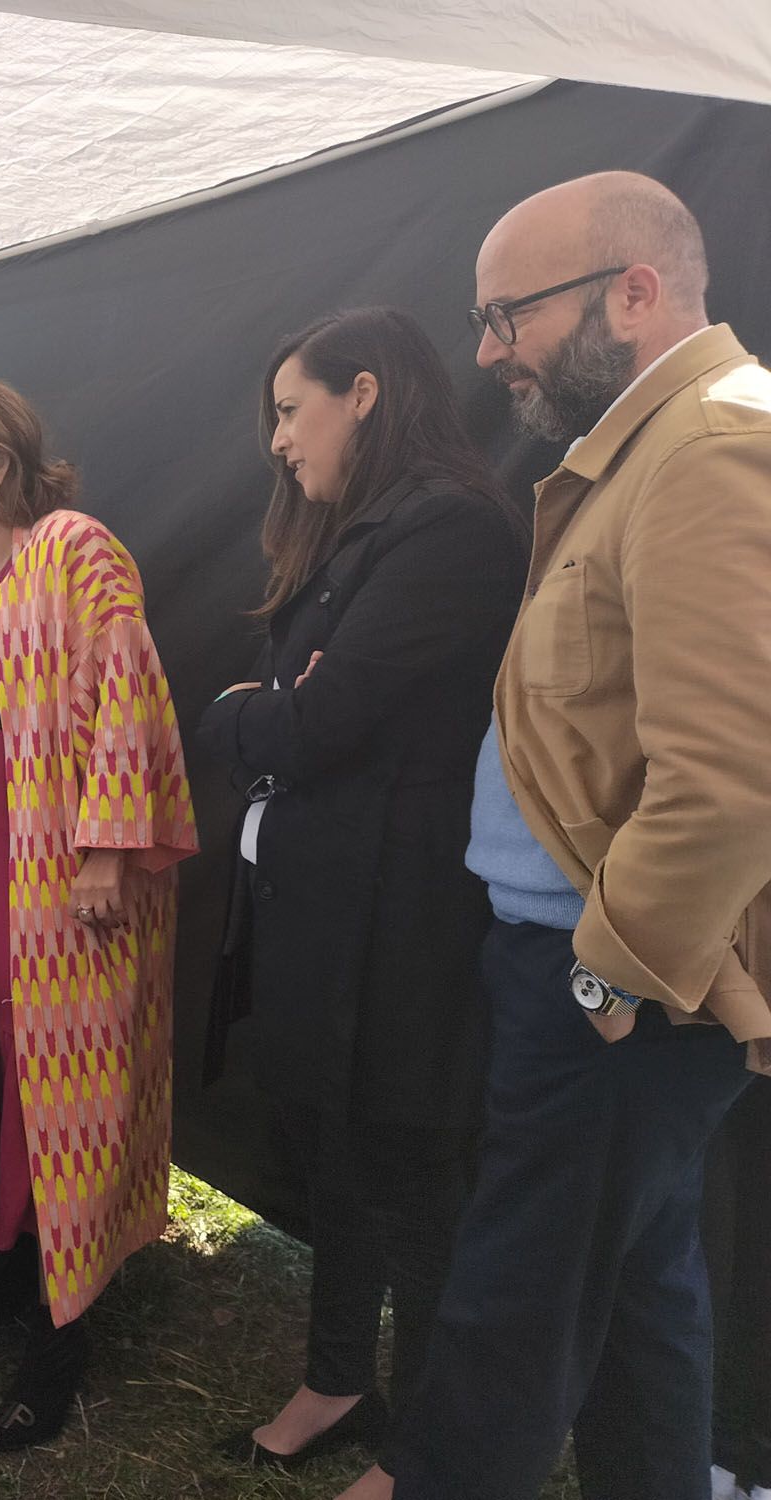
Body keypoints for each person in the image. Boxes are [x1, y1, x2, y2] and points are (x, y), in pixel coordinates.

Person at [356, 173, 771, 1500]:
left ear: (633, 293)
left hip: (616, 987)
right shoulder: (662, 444)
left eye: (507, 316)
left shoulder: (710, 444)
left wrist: (608, 972)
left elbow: (732, 776)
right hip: (599, 976)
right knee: (643, 1300)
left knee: (506, 1322)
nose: (487, 353)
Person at [194, 308, 526, 1477]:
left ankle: (427, 1436)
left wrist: (243, 710)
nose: (279, 441)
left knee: (411, 1177)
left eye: (293, 410)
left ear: (367, 393)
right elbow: (315, 710)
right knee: (336, 1157)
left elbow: (318, 718)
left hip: (402, 926)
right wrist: (283, 707)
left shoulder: (446, 530)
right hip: (328, 919)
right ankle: (339, 1381)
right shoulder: (361, 533)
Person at [0, 378, 197, 1447]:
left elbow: (126, 691)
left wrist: (107, 845)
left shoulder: (75, 548)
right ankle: (11, 1258)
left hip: (59, 864)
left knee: (71, 1074)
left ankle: (66, 1323)